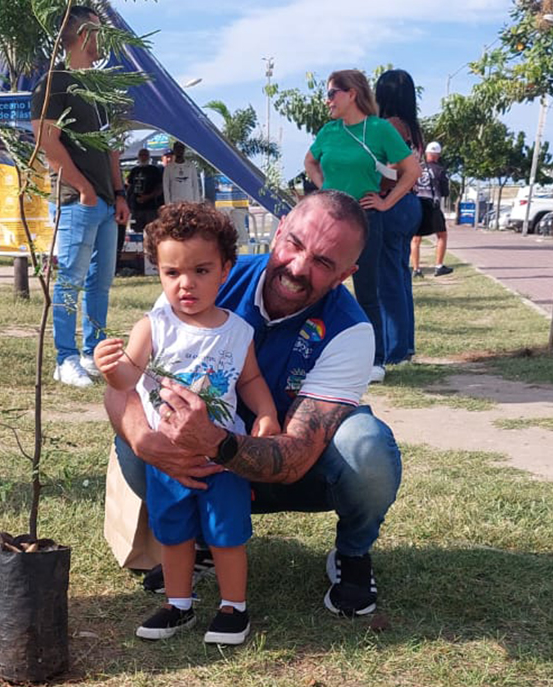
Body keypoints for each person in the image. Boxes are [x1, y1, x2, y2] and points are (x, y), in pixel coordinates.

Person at [105, 190, 403, 620]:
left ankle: (352, 554)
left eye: (323, 262)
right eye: (295, 244)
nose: (299, 268)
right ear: (278, 230)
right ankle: (200, 541)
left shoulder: (351, 329)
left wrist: (217, 441)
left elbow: (299, 454)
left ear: (345, 274)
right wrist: (140, 437)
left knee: (367, 447)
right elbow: (124, 387)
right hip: (207, 463)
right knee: (134, 449)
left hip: (293, 469)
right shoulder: (200, 275)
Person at [95, 202, 280, 645]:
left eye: (201, 270)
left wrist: (268, 414)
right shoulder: (152, 326)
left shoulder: (237, 332)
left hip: (221, 457)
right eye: (171, 272)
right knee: (173, 533)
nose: (186, 284)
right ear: (157, 272)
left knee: (226, 533)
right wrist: (110, 367)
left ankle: (234, 607)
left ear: (225, 271)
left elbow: (251, 379)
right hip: (169, 456)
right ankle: (178, 604)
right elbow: (128, 379)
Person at [31, 5, 130, 388]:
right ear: (77, 33)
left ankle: (92, 352)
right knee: (69, 280)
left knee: (99, 283)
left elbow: (111, 149)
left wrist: (118, 193)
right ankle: (64, 357)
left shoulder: (97, 88)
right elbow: (46, 140)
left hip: (105, 202)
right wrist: (85, 188)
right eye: (96, 29)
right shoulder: (54, 83)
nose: (102, 38)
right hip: (78, 200)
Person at [304, 69, 421, 384]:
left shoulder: (380, 129)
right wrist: (324, 189)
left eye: (331, 93)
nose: (327, 100)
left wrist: (385, 202)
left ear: (351, 93)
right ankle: (316, 354)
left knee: (369, 291)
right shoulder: (329, 131)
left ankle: (376, 359)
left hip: (366, 219)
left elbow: (412, 170)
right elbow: (310, 162)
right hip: (330, 220)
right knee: (320, 287)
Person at [375, 69, 424, 366]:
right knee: (400, 278)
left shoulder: (389, 125)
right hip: (409, 206)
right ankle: (404, 346)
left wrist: (371, 171)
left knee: (387, 281)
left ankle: (393, 351)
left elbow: (394, 171)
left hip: (392, 203)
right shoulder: (411, 127)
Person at [411, 142, 452, 278]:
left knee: (416, 238)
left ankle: (416, 269)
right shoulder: (439, 170)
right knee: (442, 235)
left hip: (417, 204)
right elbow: (445, 191)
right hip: (432, 206)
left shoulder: (418, 167)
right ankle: (439, 265)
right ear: (438, 155)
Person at [126, 148, 163, 234]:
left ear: (149, 157)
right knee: (136, 232)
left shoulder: (154, 170)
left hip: (151, 208)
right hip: (136, 208)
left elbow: (159, 188)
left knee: (152, 232)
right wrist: (128, 203)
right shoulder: (134, 170)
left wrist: (148, 197)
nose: (143, 157)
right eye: (141, 155)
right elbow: (129, 187)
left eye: (145, 155)